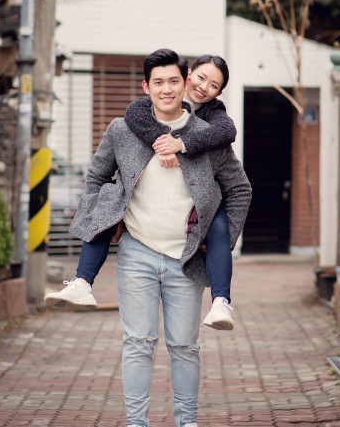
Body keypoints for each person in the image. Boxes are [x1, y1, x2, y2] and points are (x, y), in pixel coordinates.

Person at [64, 48, 252, 427]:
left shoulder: (207, 137)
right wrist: (101, 215)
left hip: (185, 259)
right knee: (137, 343)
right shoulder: (123, 129)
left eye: (174, 81)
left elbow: (240, 190)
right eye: (158, 82)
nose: (167, 89)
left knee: (185, 346)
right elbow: (96, 177)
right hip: (137, 253)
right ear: (146, 87)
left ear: (186, 83)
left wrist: (219, 236)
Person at [44, 55, 239, 330]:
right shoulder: (145, 107)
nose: (204, 87)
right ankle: (82, 282)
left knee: (219, 224)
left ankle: (221, 301)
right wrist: (162, 144)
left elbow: (226, 135)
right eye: (201, 77)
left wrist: (181, 145)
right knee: (109, 197)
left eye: (214, 85)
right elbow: (134, 116)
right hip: (142, 229)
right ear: (189, 76)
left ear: (218, 92)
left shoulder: (214, 118)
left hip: (199, 209)